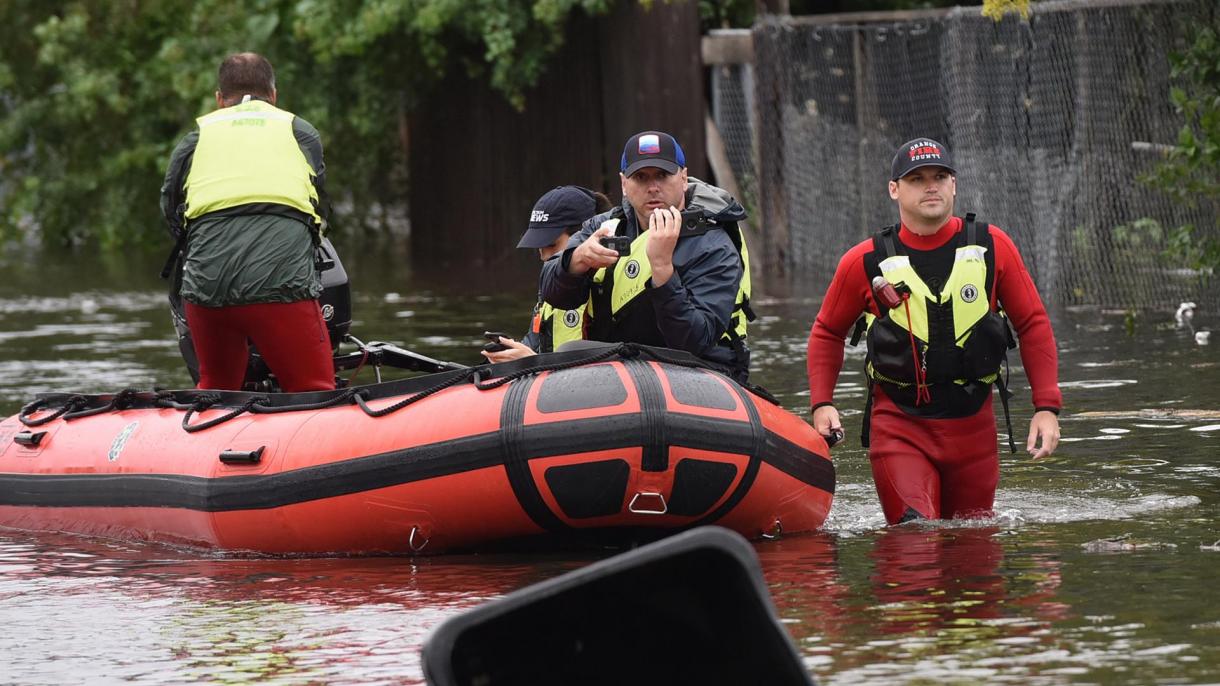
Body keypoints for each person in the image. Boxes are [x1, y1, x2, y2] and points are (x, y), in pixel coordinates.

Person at [806, 137, 1061, 525]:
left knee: (974, 556)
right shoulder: (865, 261)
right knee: (915, 545)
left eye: (940, 176)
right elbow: (827, 332)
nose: (931, 186)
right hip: (900, 428)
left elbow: (1033, 324)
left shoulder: (994, 247)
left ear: (954, 185)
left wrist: (1046, 407)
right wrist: (822, 402)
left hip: (974, 430)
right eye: (916, 178)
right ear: (894, 189)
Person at [161, 52, 334, 392]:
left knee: (216, 388)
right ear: (273, 95)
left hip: (206, 288)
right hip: (282, 286)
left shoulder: (196, 137)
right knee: (314, 391)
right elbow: (319, 204)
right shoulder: (299, 131)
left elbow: (170, 208)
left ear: (218, 99)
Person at [538, 131, 754, 382]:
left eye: (662, 175)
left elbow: (696, 340)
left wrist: (663, 270)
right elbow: (550, 291)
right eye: (640, 177)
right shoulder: (603, 228)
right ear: (624, 184)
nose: (653, 188)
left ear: (683, 178)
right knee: (569, 353)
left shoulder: (714, 245)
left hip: (697, 373)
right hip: (619, 369)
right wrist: (577, 260)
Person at [483, 185, 613, 363]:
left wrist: (534, 363)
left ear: (584, 237)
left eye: (551, 245)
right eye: (539, 245)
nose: (543, 256)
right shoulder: (551, 287)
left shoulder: (613, 284)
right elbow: (535, 347)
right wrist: (512, 353)